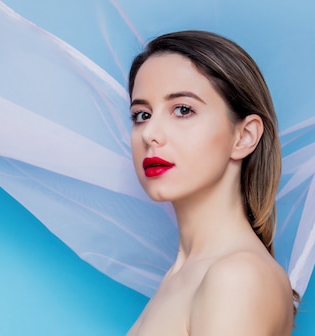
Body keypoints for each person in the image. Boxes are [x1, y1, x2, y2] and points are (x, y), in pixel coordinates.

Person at [126, 30, 297, 335]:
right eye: (141, 114)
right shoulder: (182, 274)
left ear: (244, 137)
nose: (150, 133)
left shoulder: (236, 277)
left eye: (182, 110)